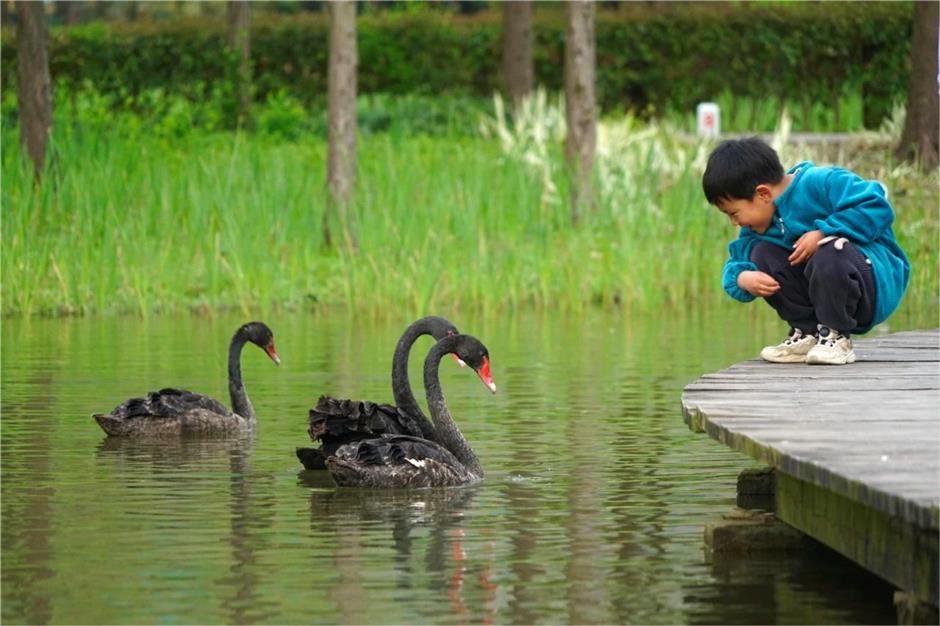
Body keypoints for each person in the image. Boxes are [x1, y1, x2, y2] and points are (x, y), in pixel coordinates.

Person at [702, 137, 910, 365]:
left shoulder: (822, 182)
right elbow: (736, 261)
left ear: (762, 194)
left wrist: (823, 232)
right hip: (824, 286)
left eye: (734, 213)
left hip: (873, 280)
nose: (735, 222)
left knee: (828, 251)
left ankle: (835, 336)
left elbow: (876, 205)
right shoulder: (758, 229)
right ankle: (807, 333)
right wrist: (743, 278)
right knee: (762, 253)